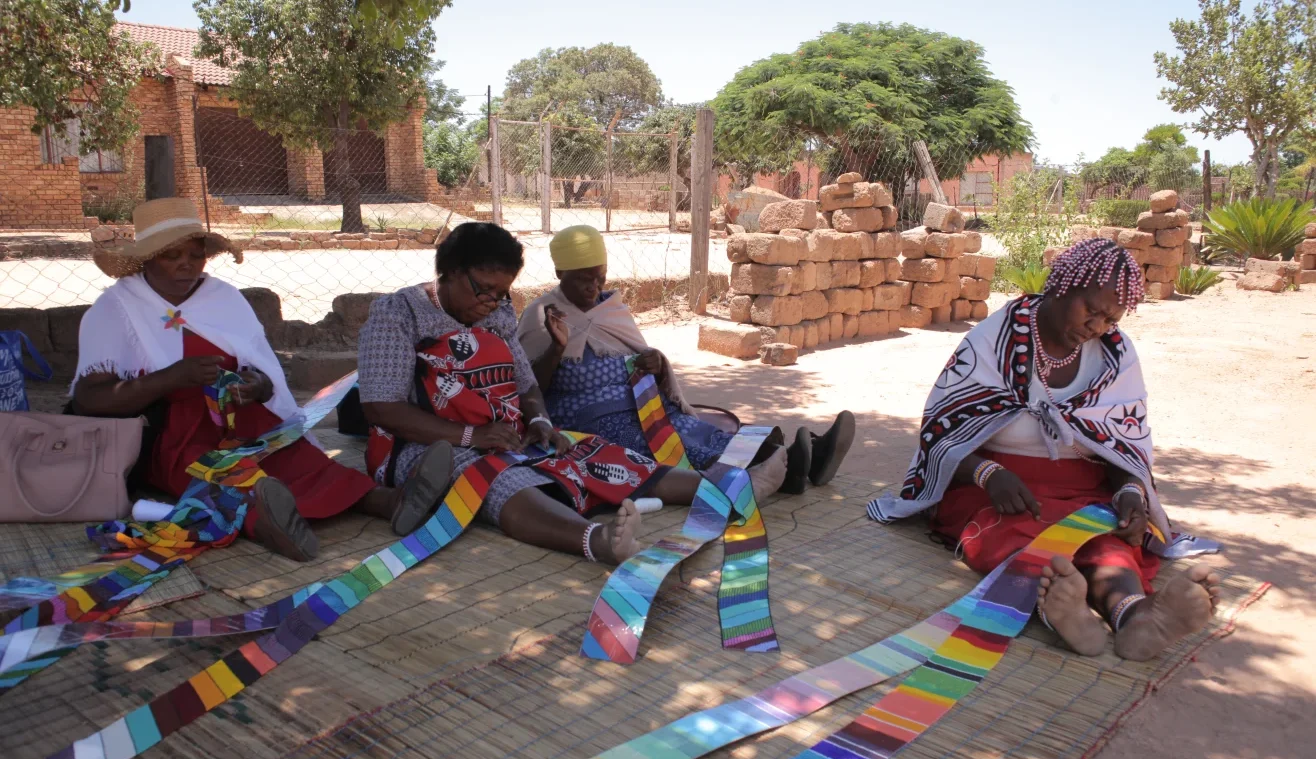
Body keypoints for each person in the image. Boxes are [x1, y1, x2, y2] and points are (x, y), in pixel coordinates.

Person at [869, 238, 1220, 662]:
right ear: (1061, 285)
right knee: (1012, 532)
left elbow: (1125, 445)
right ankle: (1063, 611)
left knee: (1109, 540)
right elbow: (942, 434)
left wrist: (1130, 494)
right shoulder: (994, 339)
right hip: (995, 485)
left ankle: (1136, 616)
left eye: (1110, 318)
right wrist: (988, 475)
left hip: (1083, 487)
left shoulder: (1115, 354)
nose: (1097, 326)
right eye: (1090, 309)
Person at [71, 198, 452, 562]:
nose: (187, 265)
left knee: (290, 453)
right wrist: (170, 379)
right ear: (146, 259)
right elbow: (90, 400)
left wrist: (256, 386)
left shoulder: (224, 298)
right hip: (168, 432)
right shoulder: (116, 308)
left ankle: (388, 501)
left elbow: (266, 376)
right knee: (215, 472)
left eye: (195, 254)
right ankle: (267, 522)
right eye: (172, 256)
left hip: (240, 417)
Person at [357, 222, 753, 566]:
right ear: (451, 272)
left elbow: (523, 380)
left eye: (501, 294)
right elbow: (381, 408)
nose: (492, 303)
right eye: (484, 290)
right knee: (493, 478)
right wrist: (472, 437)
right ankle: (596, 541)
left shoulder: (496, 314)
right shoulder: (399, 314)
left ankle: (729, 493)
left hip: (500, 434)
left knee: (592, 452)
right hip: (428, 446)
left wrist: (541, 421)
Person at [517, 224, 854, 494]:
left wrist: (656, 364)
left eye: (599, 275)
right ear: (560, 273)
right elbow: (528, 388)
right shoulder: (542, 315)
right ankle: (792, 464)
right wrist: (557, 350)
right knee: (675, 447)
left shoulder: (611, 307)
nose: (594, 286)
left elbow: (640, 350)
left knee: (700, 432)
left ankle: (805, 458)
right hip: (589, 420)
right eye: (582, 279)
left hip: (644, 404)